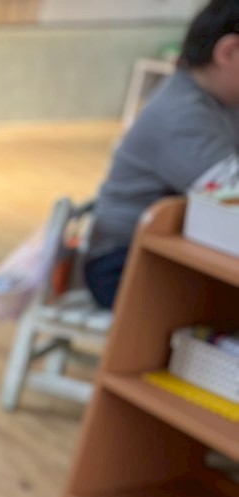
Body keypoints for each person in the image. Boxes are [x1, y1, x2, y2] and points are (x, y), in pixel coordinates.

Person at [87, 0, 239, 308]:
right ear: (229, 52)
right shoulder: (181, 115)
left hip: (176, 248)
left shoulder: (222, 101)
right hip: (122, 263)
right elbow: (230, 191)